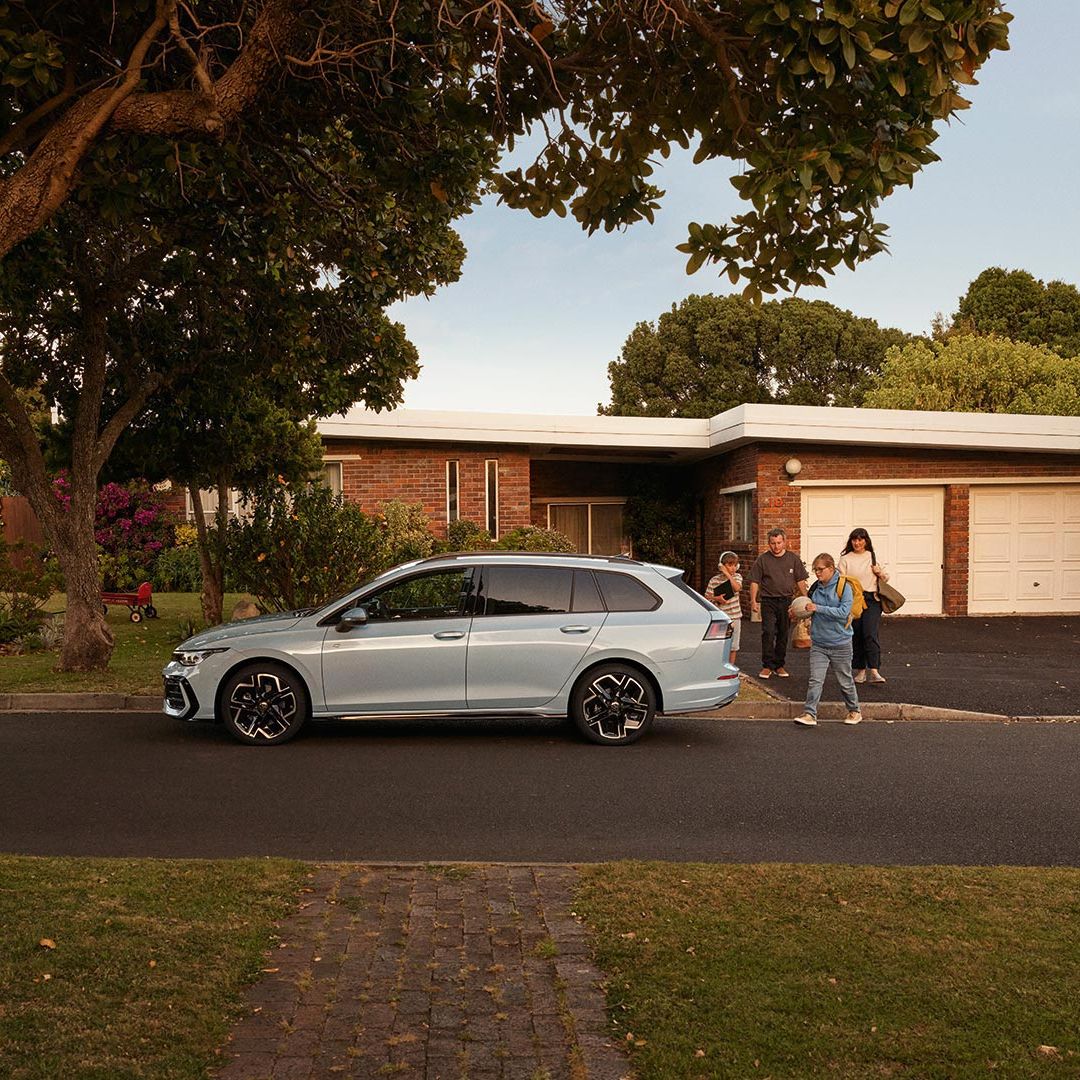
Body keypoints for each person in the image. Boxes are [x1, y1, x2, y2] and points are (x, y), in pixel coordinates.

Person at [792, 553, 862, 727]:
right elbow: (808, 607)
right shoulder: (816, 587)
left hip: (840, 643)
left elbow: (843, 613)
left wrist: (818, 608)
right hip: (819, 643)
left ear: (831, 568)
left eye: (820, 569)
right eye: (815, 569)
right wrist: (798, 610)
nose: (817, 573)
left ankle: (854, 710)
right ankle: (810, 713)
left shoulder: (843, 586)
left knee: (845, 681)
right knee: (815, 680)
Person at [747, 527, 808, 679]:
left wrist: (806, 599)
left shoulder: (793, 559)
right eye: (773, 543)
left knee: (783, 634)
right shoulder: (762, 559)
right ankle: (767, 666)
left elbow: (800, 580)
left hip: (787, 602)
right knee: (768, 632)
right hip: (768, 601)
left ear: (785, 542)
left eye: (779, 543)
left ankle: (779, 665)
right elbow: (755, 581)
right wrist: (753, 601)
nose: (776, 546)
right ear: (769, 543)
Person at [837, 527, 889, 684]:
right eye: (854, 539)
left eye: (860, 539)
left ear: (866, 541)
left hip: (872, 599)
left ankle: (874, 670)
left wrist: (879, 572)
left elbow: (886, 578)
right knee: (857, 634)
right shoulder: (846, 559)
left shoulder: (872, 556)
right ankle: (860, 671)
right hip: (853, 599)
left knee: (870, 633)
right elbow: (840, 580)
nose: (857, 543)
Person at [704, 551, 743, 666]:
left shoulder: (737, 577)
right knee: (719, 644)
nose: (733, 568)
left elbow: (737, 588)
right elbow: (707, 597)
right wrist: (717, 598)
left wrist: (727, 574)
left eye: (735, 565)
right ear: (721, 566)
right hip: (721, 617)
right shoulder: (714, 580)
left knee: (733, 646)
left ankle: (730, 666)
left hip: (735, 617)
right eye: (729, 565)